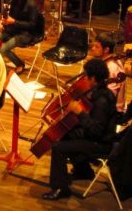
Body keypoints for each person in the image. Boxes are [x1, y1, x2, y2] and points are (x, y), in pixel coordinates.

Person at [42, 58, 118, 200]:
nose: (84, 79)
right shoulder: (101, 91)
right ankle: (84, 171)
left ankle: (60, 188)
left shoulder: (102, 100)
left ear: (93, 78)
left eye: (86, 76)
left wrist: (80, 113)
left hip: (101, 144)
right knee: (66, 135)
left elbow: (96, 131)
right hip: (98, 138)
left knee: (58, 147)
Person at [0, 0, 40, 74]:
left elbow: (32, 25)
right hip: (13, 29)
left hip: (26, 34)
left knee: (3, 48)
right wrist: (2, 22)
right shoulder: (14, 0)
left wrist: (14, 22)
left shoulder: (31, 4)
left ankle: (20, 64)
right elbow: (9, 17)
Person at [90, 32, 127, 112]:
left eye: (97, 47)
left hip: (110, 112)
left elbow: (108, 98)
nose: (92, 48)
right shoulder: (105, 62)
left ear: (106, 50)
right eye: (93, 45)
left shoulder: (112, 68)